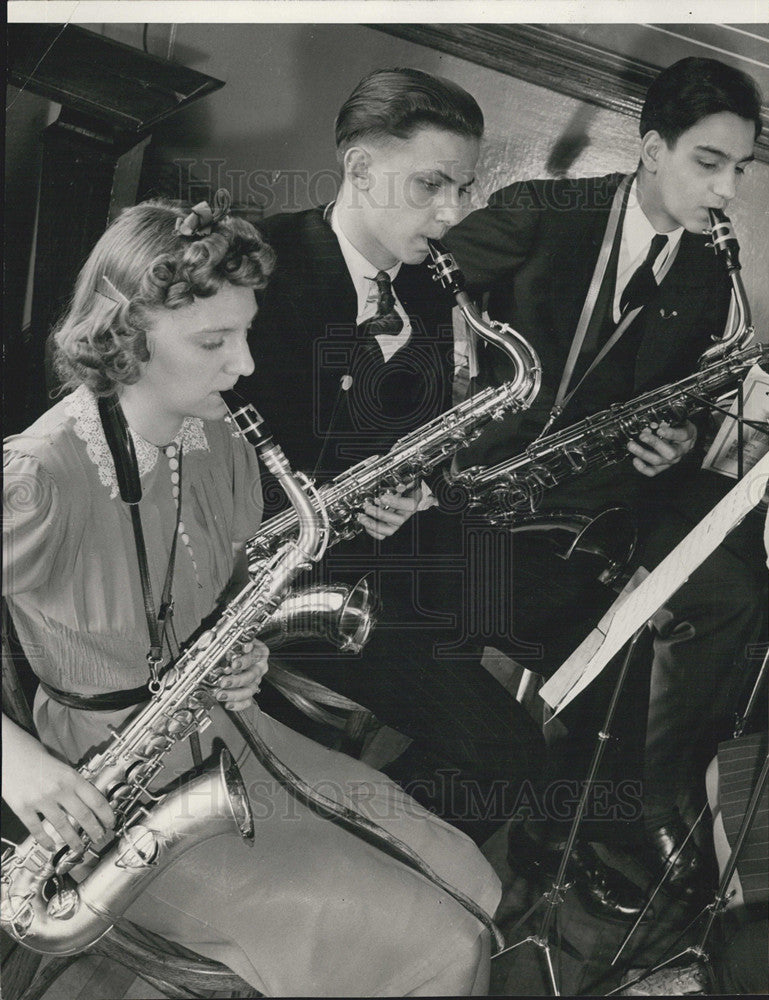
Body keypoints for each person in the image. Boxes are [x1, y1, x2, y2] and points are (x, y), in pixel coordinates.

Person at [1, 195, 502, 996]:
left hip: (222, 733)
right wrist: (14, 763)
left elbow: (224, 595)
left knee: (470, 880)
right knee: (435, 945)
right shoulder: (39, 474)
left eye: (243, 334)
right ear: (126, 337)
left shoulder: (217, 438)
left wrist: (246, 649)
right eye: (214, 341)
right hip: (102, 787)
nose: (244, 366)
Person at [444, 56, 764, 917]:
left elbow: (681, 398)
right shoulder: (543, 215)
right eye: (709, 162)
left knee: (736, 588)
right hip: (484, 498)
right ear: (651, 149)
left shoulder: (705, 274)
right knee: (618, 620)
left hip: (598, 495)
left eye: (740, 169)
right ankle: (577, 822)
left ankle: (624, 804)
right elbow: (414, 291)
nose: (728, 190)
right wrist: (465, 397)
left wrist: (681, 439)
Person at [241, 68, 546, 848]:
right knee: (506, 752)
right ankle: (342, 866)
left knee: (529, 598)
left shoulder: (431, 292)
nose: (451, 215)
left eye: (463, 189)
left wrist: (411, 491)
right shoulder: (261, 267)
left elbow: (413, 437)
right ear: (359, 168)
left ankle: (353, 829)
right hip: (271, 576)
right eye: (431, 186)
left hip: (372, 555)